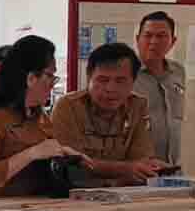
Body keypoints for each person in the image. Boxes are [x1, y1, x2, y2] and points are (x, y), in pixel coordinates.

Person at [0, 35, 88, 197]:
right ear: (31, 78)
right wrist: (31, 154)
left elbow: (42, 155)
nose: (53, 83)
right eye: (50, 75)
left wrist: (62, 153)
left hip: (38, 207)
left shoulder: (39, 114)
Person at [51, 42, 165, 185]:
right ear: (89, 78)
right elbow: (72, 165)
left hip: (123, 195)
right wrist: (124, 169)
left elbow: (141, 160)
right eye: (103, 80)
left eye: (120, 81)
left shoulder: (138, 106)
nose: (110, 88)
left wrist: (150, 167)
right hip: (75, 196)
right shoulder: (67, 106)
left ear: (133, 82)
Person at [134, 11, 186, 167]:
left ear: (173, 41)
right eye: (148, 35)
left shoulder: (178, 71)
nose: (154, 42)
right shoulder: (126, 73)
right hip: (137, 168)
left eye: (161, 36)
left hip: (172, 167)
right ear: (138, 39)